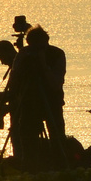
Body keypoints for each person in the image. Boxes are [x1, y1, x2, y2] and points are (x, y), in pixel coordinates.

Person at [0, 38, 50, 167]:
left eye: (1, 58)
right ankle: (23, 164)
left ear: (8, 52)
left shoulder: (20, 68)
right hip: (18, 114)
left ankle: (24, 166)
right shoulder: (16, 67)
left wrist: (6, 102)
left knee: (22, 144)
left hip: (24, 115)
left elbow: (23, 94)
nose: (2, 62)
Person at [25, 25, 70, 167]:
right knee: (29, 138)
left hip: (52, 101)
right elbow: (17, 77)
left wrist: (43, 64)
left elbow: (55, 83)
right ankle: (31, 166)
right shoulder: (25, 55)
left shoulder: (57, 54)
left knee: (57, 137)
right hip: (31, 103)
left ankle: (60, 166)